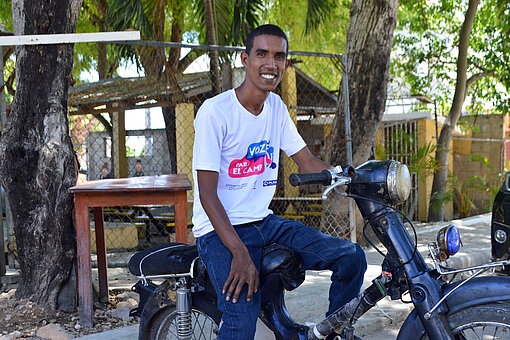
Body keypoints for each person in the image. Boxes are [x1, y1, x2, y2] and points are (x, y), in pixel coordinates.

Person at [192, 24, 366, 340]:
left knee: (351, 256)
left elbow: (307, 163)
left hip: (264, 222)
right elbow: (206, 193)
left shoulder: (276, 108)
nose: (271, 64)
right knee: (241, 319)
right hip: (220, 232)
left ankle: (335, 333)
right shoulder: (215, 112)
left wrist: (352, 175)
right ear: (245, 59)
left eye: (279, 56)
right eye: (262, 54)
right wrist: (239, 252)